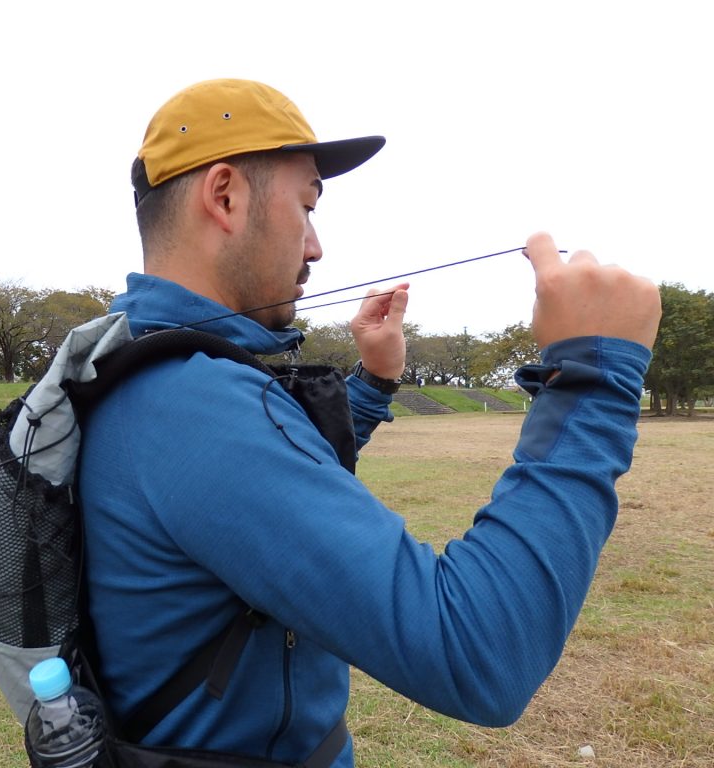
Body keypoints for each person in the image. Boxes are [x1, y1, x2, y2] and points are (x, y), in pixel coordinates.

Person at [77, 78, 661, 767]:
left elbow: (266, 483)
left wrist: (375, 384)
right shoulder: (193, 409)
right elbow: (479, 653)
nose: (317, 246)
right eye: (306, 206)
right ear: (225, 196)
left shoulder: (138, 365)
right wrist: (593, 379)